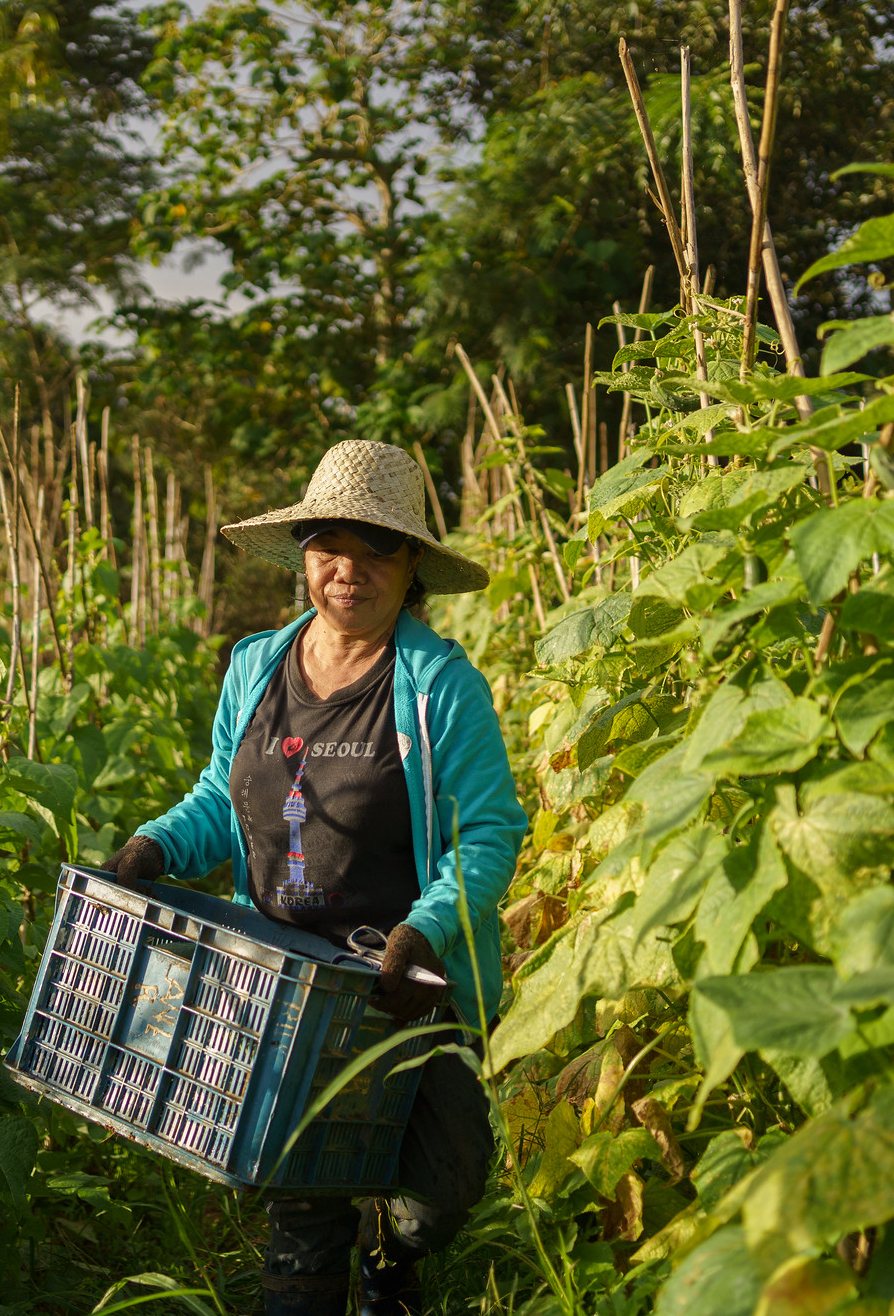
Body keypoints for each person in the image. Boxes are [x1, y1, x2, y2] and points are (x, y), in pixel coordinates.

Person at [107, 440, 527, 1315]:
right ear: (302, 553)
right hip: (284, 985)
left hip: (404, 981)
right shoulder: (256, 667)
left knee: (442, 1185)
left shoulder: (437, 686)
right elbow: (223, 799)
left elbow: (486, 832)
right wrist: (155, 846)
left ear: (412, 566)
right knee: (305, 1208)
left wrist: (427, 933)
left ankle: (397, 1252)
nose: (349, 567)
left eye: (377, 546)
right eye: (328, 542)